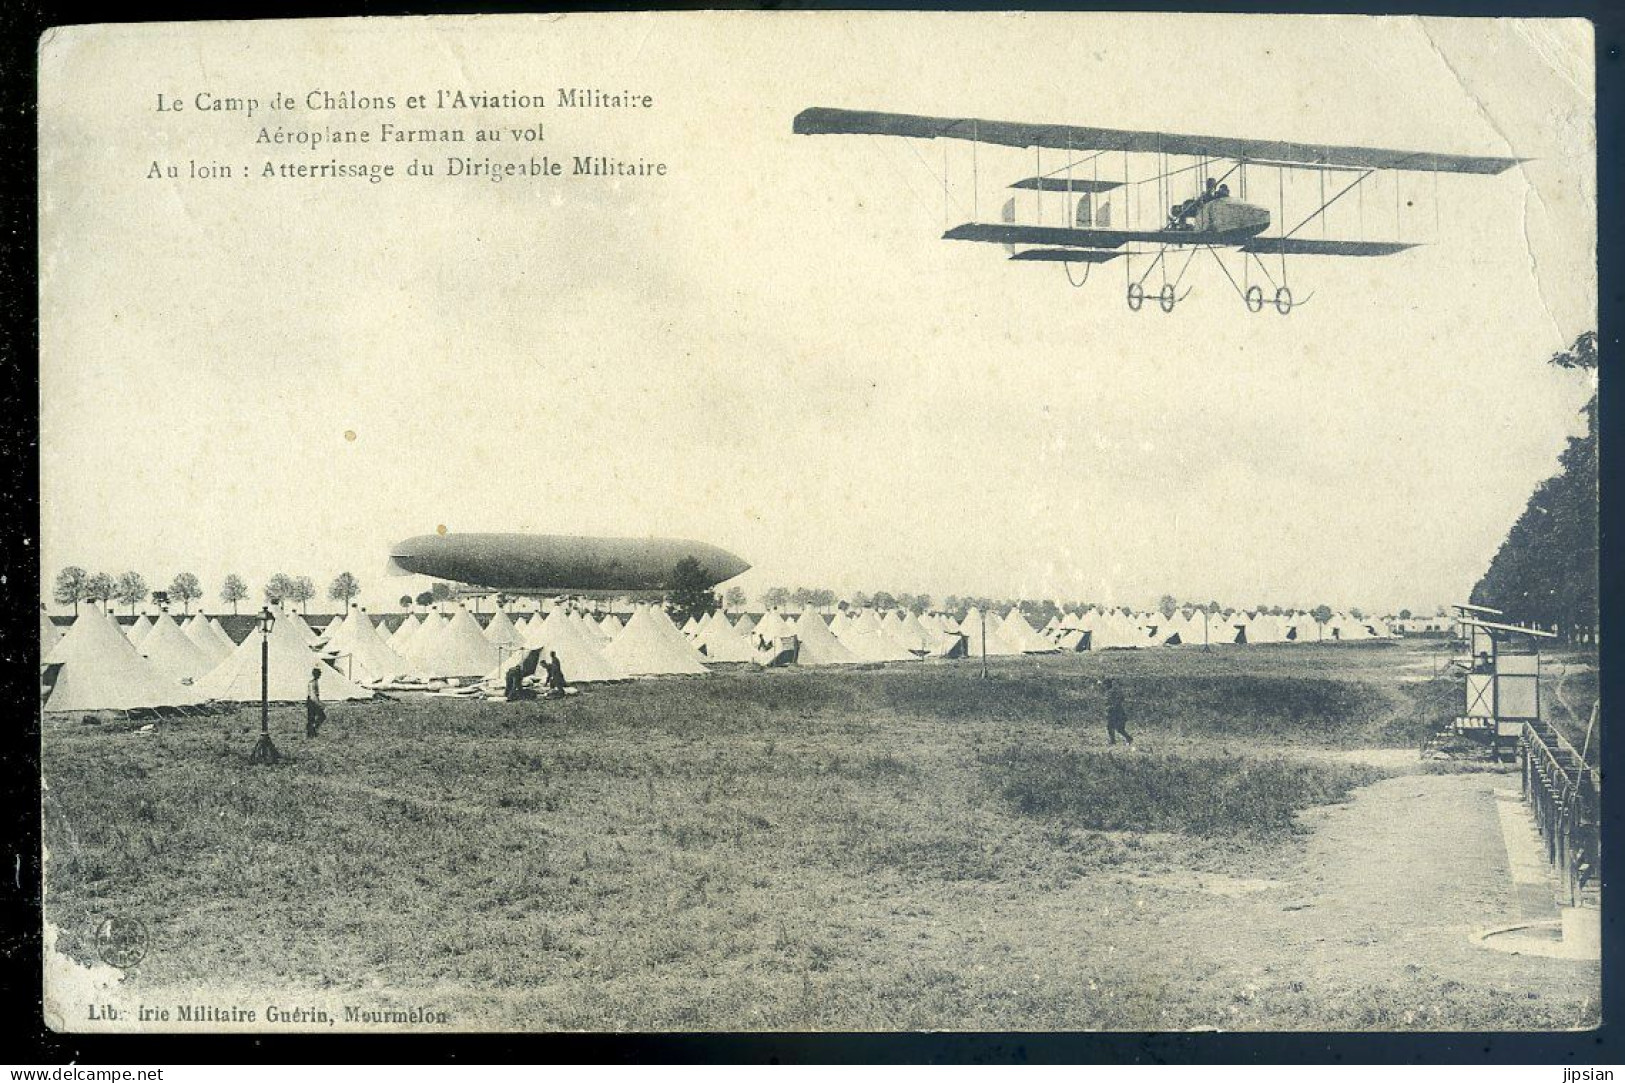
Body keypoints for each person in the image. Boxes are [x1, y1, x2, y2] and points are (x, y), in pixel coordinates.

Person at [1103, 676, 1131, 746]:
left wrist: (1114, 705)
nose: (1104, 686)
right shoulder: (1109, 692)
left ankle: (1126, 739)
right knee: (1111, 727)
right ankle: (1114, 741)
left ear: (1108, 684)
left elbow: (1121, 698)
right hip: (1112, 712)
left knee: (1118, 728)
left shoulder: (1113, 691)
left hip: (1117, 712)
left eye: (1105, 684)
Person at [306, 666, 326, 738]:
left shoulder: (315, 682)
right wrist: (319, 704)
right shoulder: (312, 683)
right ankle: (312, 732)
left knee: (313, 718)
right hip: (312, 702)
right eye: (319, 674)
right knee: (320, 716)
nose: (320, 675)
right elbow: (313, 695)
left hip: (313, 701)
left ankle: (312, 732)